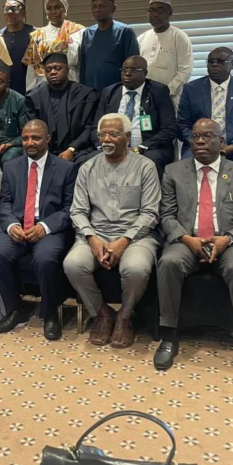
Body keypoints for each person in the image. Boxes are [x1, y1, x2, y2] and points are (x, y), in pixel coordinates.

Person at [155, 119, 233, 383]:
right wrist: (186, 238)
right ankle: (169, 337)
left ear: (222, 141)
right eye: (195, 137)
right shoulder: (173, 171)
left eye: (207, 136)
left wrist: (227, 239)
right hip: (187, 242)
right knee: (169, 262)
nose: (201, 141)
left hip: (228, 243)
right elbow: (166, 215)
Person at [64, 113, 160, 349]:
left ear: (127, 137)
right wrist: (92, 238)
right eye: (102, 134)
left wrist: (124, 240)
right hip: (96, 233)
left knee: (136, 268)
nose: (106, 139)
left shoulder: (145, 167)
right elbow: (77, 211)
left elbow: (150, 213)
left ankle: (125, 318)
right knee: (73, 264)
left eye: (113, 134)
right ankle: (102, 314)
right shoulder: (87, 168)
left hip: (136, 236)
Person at [0, 120, 77, 338]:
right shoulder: (10, 167)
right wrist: (11, 225)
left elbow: (70, 209)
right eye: (26, 138)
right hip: (18, 226)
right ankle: (15, 309)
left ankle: (50, 314)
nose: (30, 142)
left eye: (36, 138)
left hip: (49, 228)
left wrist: (45, 227)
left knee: (46, 259)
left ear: (47, 139)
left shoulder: (66, 168)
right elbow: (5, 203)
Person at [178, 47, 233, 207]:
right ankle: (187, 216)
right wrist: (199, 142)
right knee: (183, 166)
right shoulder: (191, 89)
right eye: (211, 62)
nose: (214, 65)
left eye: (220, 62)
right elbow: (182, 123)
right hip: (198, 146)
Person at [93, 56, 177, 178]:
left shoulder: (158, 91)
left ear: (145, 73)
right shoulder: (109, 92)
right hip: (111, 146)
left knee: (152, 161)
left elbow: (170, 128)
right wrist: (103, 146)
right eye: (124, 70)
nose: (127, 74)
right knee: (89, 159)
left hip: (148, 148)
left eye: (133, 70)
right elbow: (96, 126)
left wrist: (141, 147)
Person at [25, 53, 99, 166]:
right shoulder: (35, 96)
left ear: (68, 70)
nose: (53, 72)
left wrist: (72, 149)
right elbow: (33, 128)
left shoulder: (85, 95)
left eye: (58, 68)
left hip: (77, 151)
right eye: (48, 69)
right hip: (43, 150)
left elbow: (89, 127)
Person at [137, 0, 193, 109]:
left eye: (160, 10)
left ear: (170, 12)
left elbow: (185, 71)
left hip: (169, 98)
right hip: (144, 98)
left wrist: (166, 91)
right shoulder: (142, 38)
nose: (154, 14)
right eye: (151, 11)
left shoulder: (179, 37)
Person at [79, 0, 139, 92]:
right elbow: (83, 67)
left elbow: (132, 68)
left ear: (113, 8)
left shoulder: (125, 32)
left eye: (102, 6)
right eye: (94, 6)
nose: (97, 9)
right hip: (91, 94)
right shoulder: (87, 33)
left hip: (116, 94)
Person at [23, 0, 85, 86]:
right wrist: (31, 93)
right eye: (49, 8)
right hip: (45, 83)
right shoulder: (38, 35)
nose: (53, 12)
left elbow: (84, 63)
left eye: (57, 7)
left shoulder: (79, 32)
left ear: (65, 9)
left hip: (72, 81)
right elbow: (32, 69)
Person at [0, 0, 34, 96]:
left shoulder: (35, 34)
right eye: (6, 9)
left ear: (24, 12)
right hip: (5, 93)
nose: (9, 12)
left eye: (14, 8)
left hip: (31, 90)